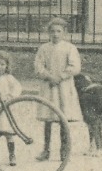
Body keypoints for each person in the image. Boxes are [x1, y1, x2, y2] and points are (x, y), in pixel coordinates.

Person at [33, 17, 82, 160]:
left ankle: (64, 150)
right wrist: (49, 76)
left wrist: (60, 76)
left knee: (63, 119)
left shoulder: (70, 48)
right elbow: (38, 66)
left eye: (58, 31)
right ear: (48, 33)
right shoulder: (44, 48)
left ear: (64, 33)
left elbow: (75, 67)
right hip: (49, 87)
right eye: (52, 31)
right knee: (48, 119)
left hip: (64, 88)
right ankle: (46, 150)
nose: (55, 34)